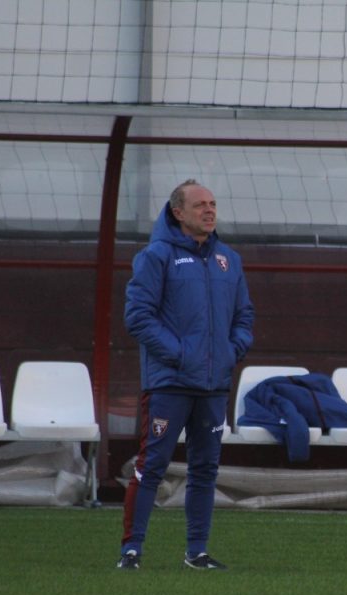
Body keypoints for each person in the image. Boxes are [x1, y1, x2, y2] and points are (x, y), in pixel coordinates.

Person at [117, 179, 254, 570]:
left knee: (205, 469)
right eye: (200, 205)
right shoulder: (155, 256)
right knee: (152, 466)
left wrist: (230, 350)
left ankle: (197, 551)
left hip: (213, 385)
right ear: (177, 212)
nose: (209, 211)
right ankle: (132, 550)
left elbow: (244, 316)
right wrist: (180, 355)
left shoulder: (229, 259)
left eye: (212, 204)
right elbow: (138, 317)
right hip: (170, 382)